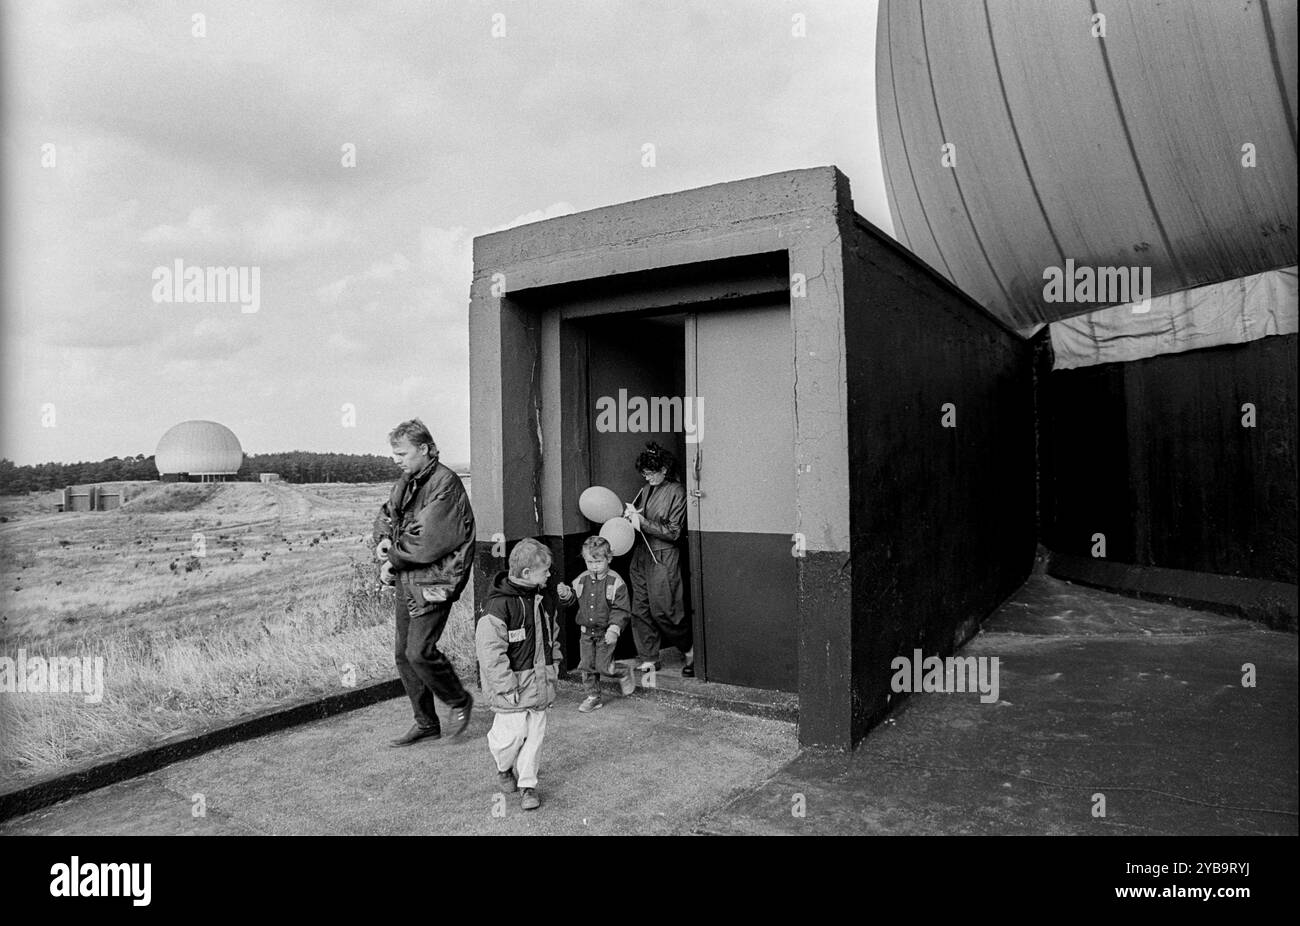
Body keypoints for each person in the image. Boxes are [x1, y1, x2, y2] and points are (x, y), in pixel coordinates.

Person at [373, 418, 475, 747]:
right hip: (409, 578)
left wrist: (392, 560)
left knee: (419, 651)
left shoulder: (446, 484)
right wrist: (382, 540)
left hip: (435, 580)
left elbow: (427, 540)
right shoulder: (408, 480)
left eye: (401, 453)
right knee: (403, 654)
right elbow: (389, 514)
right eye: (394, 454)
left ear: (425, 449)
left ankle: (459, 701)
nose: (396, 459)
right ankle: (426, 723)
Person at [476, 538, 564, 811]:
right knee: (510, 737)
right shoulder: (499, 607)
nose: (549, 574)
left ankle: (528, 786)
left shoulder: (543, 599)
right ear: (527, 574)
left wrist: (555, 666)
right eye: (545, 570)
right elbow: (490, 652)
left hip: (539, 684)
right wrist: (505, 685)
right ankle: (503, 767)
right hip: (512, 689)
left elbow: (553, 637)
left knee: (535, 738)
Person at [624, 442, 694, 677]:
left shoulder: (677, 491)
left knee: (666, 608)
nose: (647, 476)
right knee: (641, 609)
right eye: (644, 473)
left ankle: (689, 649)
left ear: (664, 469)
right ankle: (649, 657)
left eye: (651, 472)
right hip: (642, 553)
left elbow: (674, 532)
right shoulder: (646, 490)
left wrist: (641, 521)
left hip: (664, 555)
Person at [558, 535, 636, 713]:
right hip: (586, 633)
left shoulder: (616, 582)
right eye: (589, 562)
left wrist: (614, 629)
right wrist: (565, 594)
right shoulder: (581, 579)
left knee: (603, 667)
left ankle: (622, 670)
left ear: (608, 559)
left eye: (598, 562)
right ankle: (593, 696)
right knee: (586, 665)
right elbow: (571, 600)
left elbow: (621, 609)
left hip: (605, 633)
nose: (594, 566)